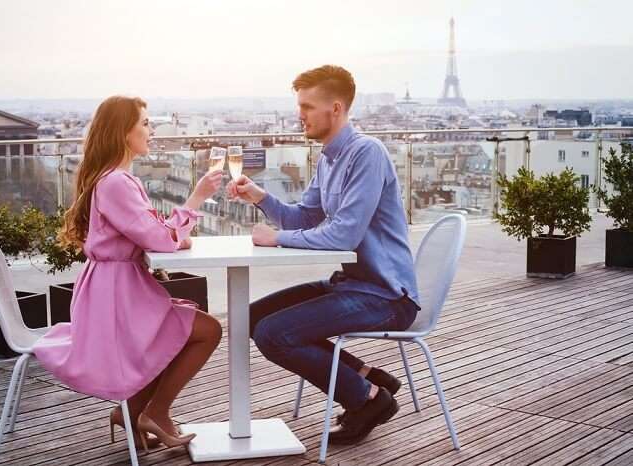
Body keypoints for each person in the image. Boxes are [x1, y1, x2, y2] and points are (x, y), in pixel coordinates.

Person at [226, 65, 420, 445]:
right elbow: (307, 216)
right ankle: (363, 376)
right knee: (251, 317)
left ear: (335, 108)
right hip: (353, 285)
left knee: (275, 333)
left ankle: (368, 399)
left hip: (386, 295)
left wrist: (277, 238)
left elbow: (343, 234)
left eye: (307, 106)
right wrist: (261, 197)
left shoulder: (367, 153)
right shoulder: (329, 158)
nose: (300, 115)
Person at [33, 96, 223, 452]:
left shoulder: (113, 179)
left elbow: (150, 233)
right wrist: (196, 199)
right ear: (124, 132)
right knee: (206, 330)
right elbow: (158, 239)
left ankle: (133, 411)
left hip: (115, 290)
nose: (151, 130)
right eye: (146, 123)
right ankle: (155, 412)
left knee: (188, 330)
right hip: (117, 297)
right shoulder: (117, 183)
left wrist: (171, 235)